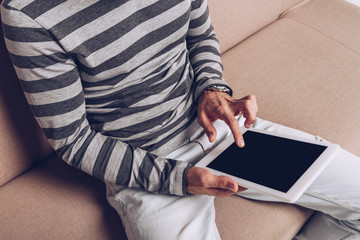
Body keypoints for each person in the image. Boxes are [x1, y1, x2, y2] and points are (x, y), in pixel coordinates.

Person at [1, 0, 359, 239]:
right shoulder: (28, 12)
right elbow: (73, 140)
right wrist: (177, 178)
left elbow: (199, 34)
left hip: (219, 131)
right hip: (141, 165)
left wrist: (213, 88)